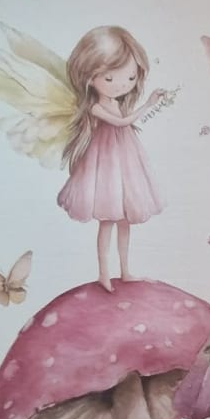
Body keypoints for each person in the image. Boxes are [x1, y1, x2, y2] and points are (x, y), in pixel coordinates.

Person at [57, 25, 165, 290]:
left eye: (130, 78)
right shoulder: (96, 106)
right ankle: (104, 273)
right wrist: (148, 104)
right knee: (107, 219)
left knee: (125, 219)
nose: (121, 85)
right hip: (106, 164)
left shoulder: (116, 102)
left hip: (125, 160)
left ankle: (125, 270)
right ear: (88, 77)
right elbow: (121, 123)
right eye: (109, 78)